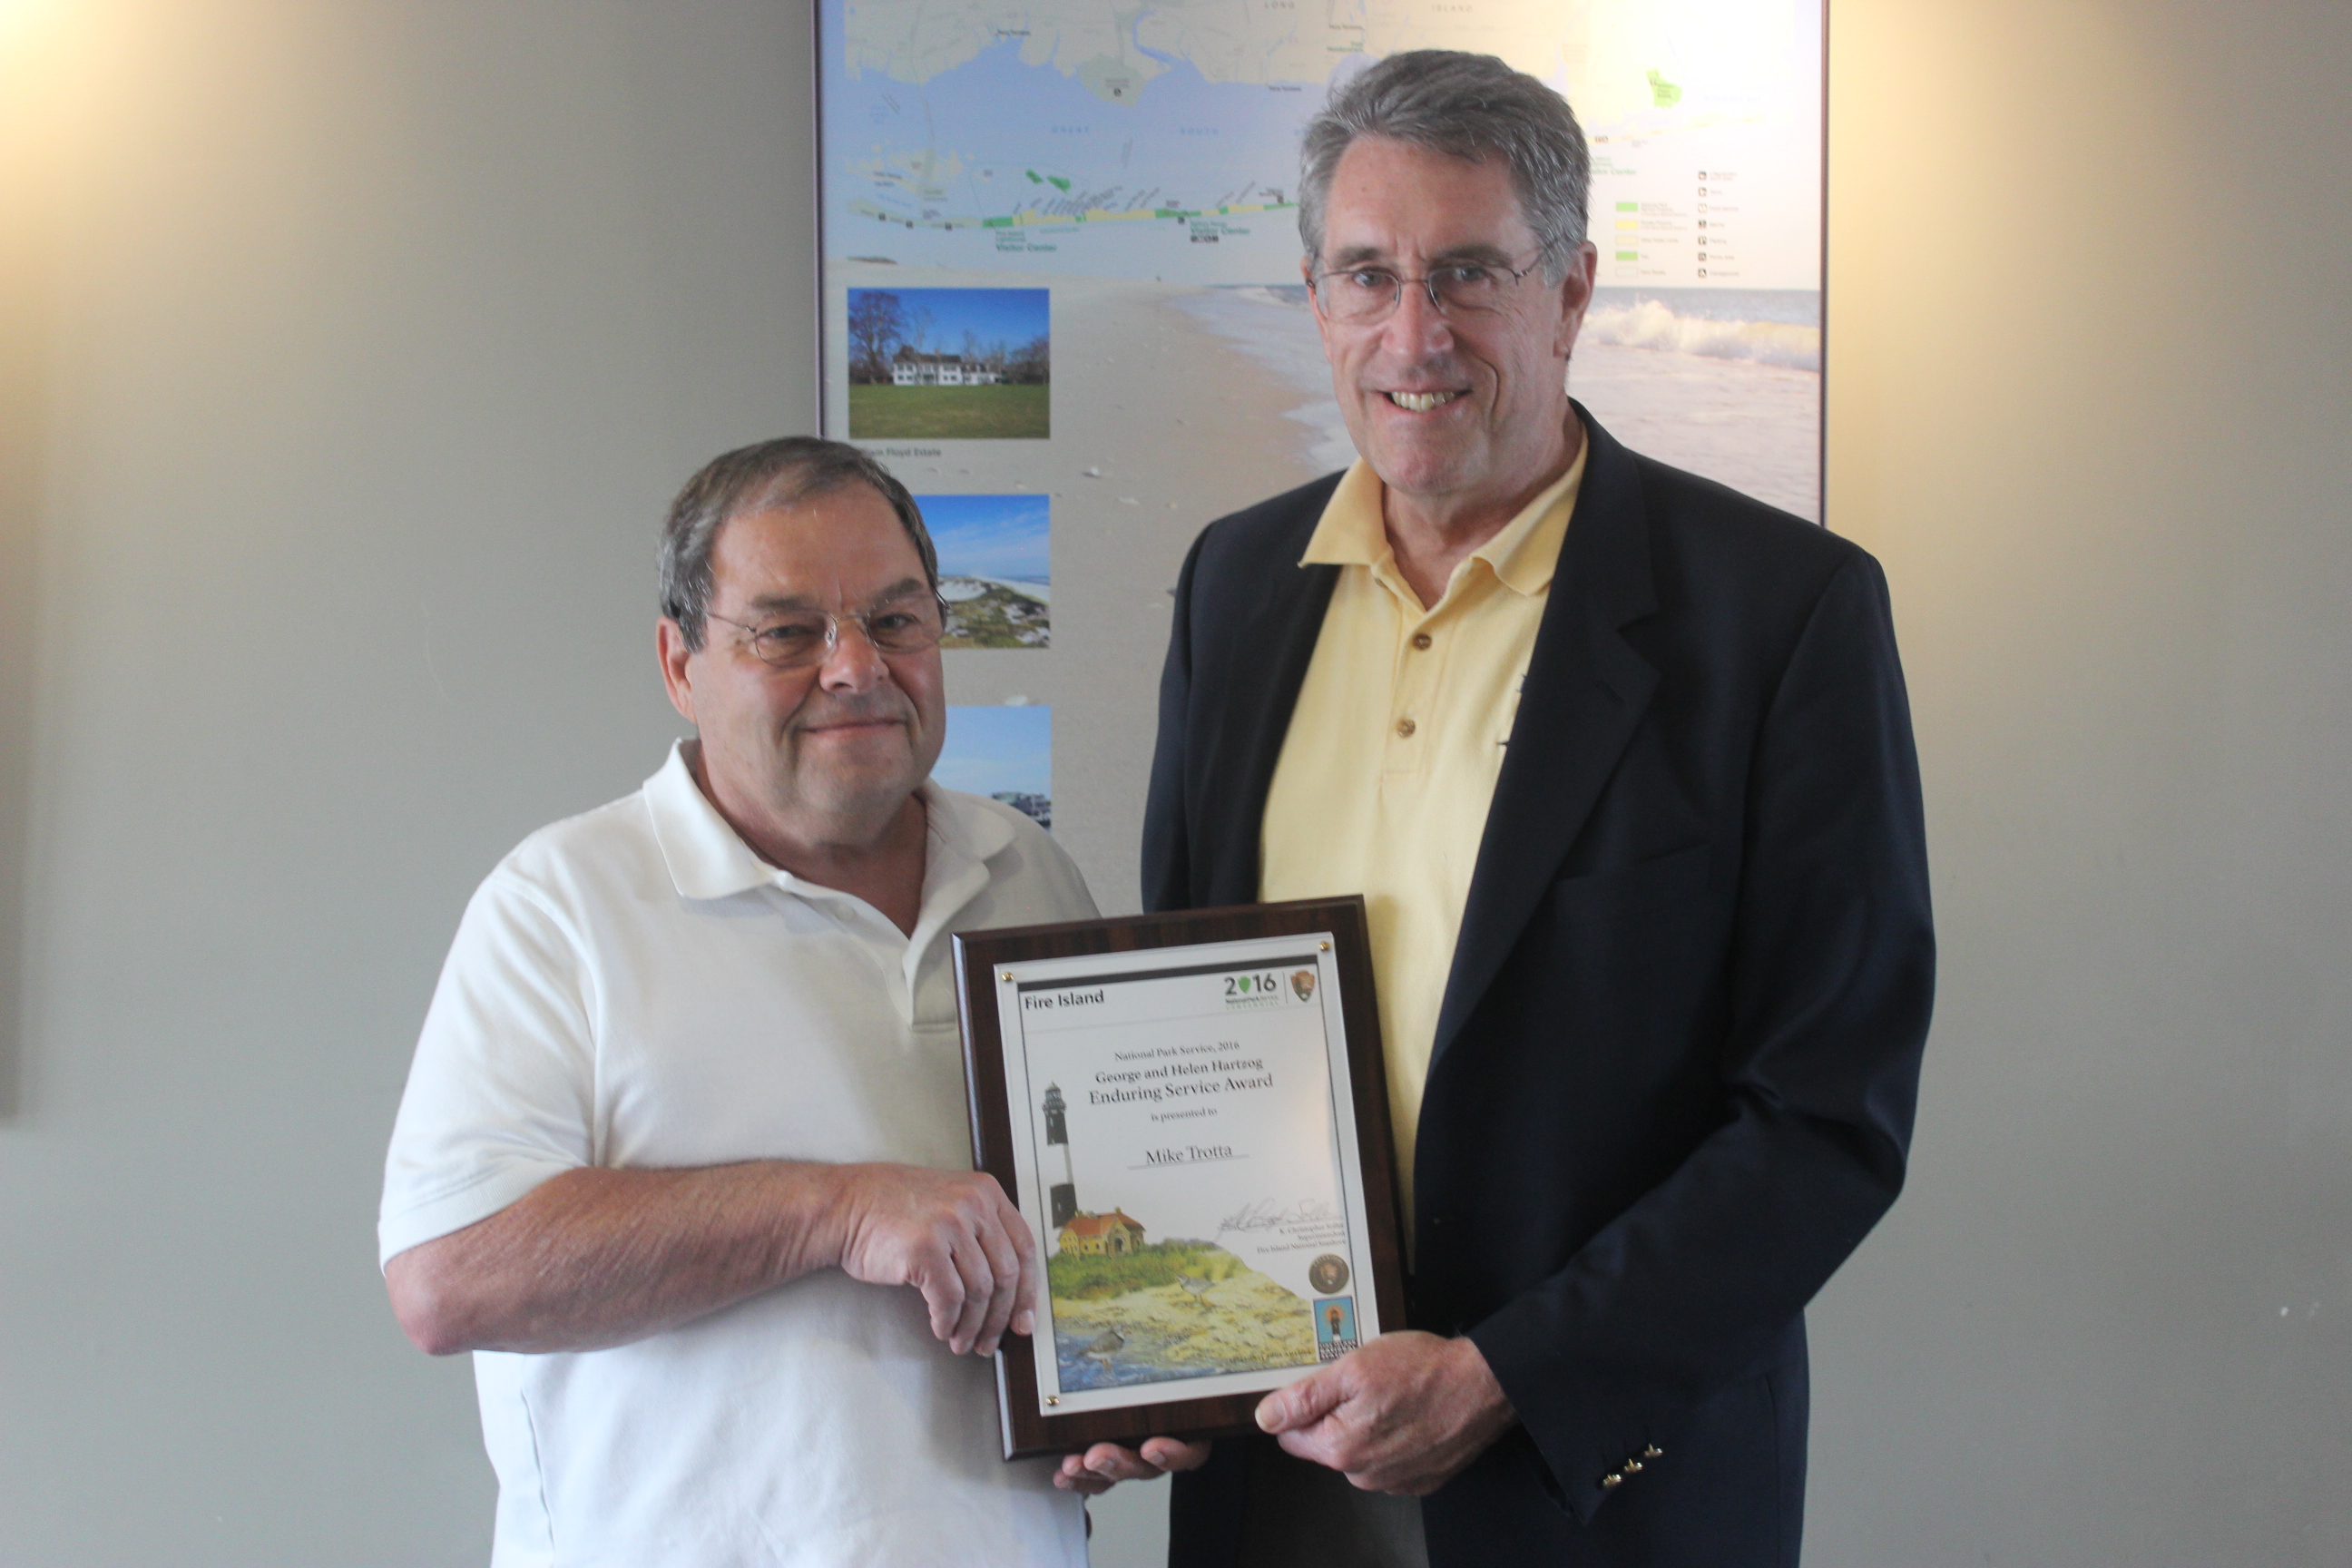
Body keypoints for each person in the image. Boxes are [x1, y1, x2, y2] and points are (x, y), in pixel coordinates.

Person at [1091, 50, 1936, 1568]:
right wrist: (1144, 1336)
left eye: (1469, 272)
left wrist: (1509, 1375)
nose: (1416, 334)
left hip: (1596, 1484)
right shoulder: (1236, 584)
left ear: (1572, 291)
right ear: (1314, 298)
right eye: (1367, 275)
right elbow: (1182, 1011)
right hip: (1276, 1462)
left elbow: (1826, 1115)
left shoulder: (1781, 613)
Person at [378, 438, 1100, 1567]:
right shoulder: (560, 905)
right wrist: (837, 1212)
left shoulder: (1031, 875)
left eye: (899, 621)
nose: (856, 666)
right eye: (788, 632)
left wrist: (1136, 1389)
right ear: (679, 663)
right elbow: (447, 1274)